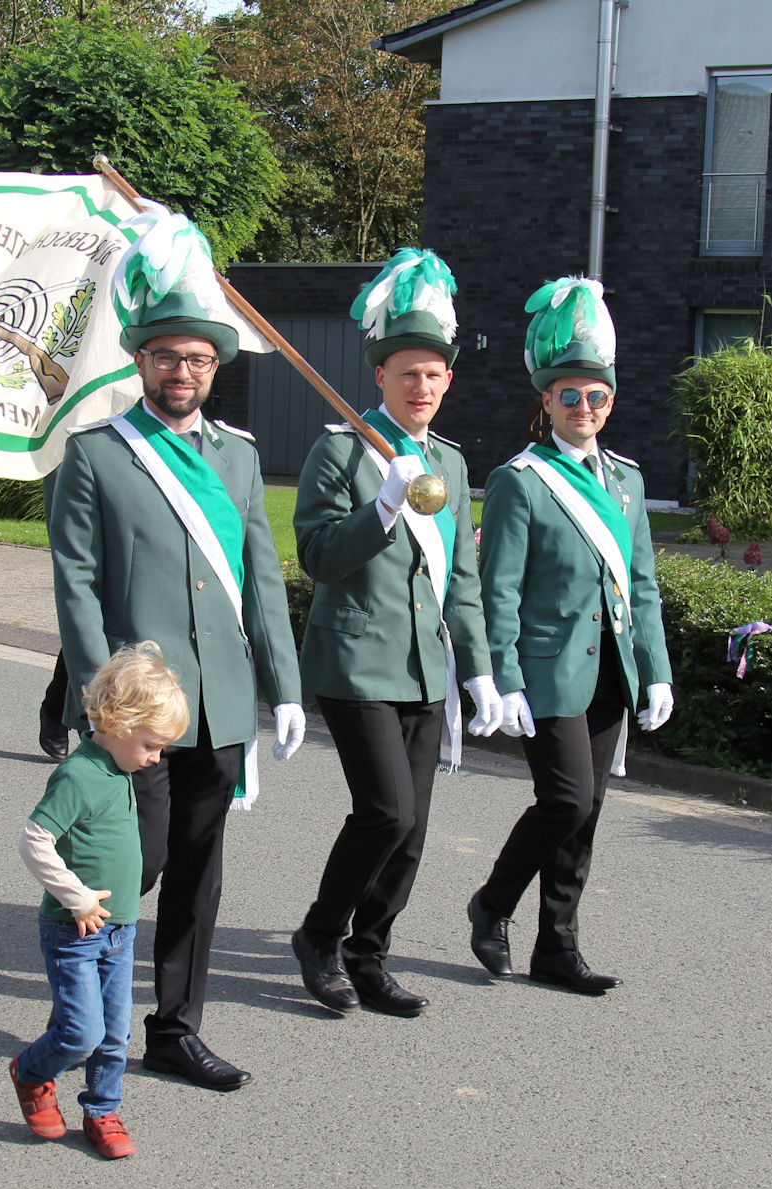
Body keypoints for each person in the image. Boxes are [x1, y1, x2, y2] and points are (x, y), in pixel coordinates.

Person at [50, 210, 303, 1092]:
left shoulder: (239, 459)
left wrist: (285, 686)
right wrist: (102, 699)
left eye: (197, 358)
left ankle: (174, 1028)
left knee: (199, 871)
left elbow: (261, 580)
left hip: (221, 701)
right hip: (136, 711)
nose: (182, 371)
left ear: (214, 367)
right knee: (136, 861)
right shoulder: (96, 456)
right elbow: (76, 584)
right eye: (166, 356)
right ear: (140, 360)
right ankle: (82, 997)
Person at [287, 248, 501, 1017]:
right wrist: (380, 508)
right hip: (355, 660)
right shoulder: (342, 449)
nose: (421, 386)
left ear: (448, 381)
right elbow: (316, 555)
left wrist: (479, 668)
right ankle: (319, 935)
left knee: (413, 829)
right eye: (407, 373)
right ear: (380, 375)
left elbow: (461, 579)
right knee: (386, 810)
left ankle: (368, 953)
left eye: (434, 374)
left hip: (424, 668)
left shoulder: (451, 463)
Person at [468, 277, 674, 994]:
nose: (584, 407)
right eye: (570, 396)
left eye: (597, 396)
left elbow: (641, 585)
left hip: (611, 670)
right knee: (567, 800)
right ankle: (493, 903)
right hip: (548, 673)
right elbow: (498, 590)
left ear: (610, 402)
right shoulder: (520, 481)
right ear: (547, 401)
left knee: (587, 815)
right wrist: (504, 676)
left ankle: (557, 948)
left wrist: (657, 669)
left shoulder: (627, 483)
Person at [10, 641, 190, 1160]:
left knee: (115, 1035)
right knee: (81, 1033)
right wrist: (78, 897)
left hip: (120, 930)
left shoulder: (121, 767)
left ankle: (102, 1110)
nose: (156, 758)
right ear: (116, 723)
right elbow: (34, 840)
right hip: (75, 930)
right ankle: (31, 1071)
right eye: (152, 745)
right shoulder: (80, 774)